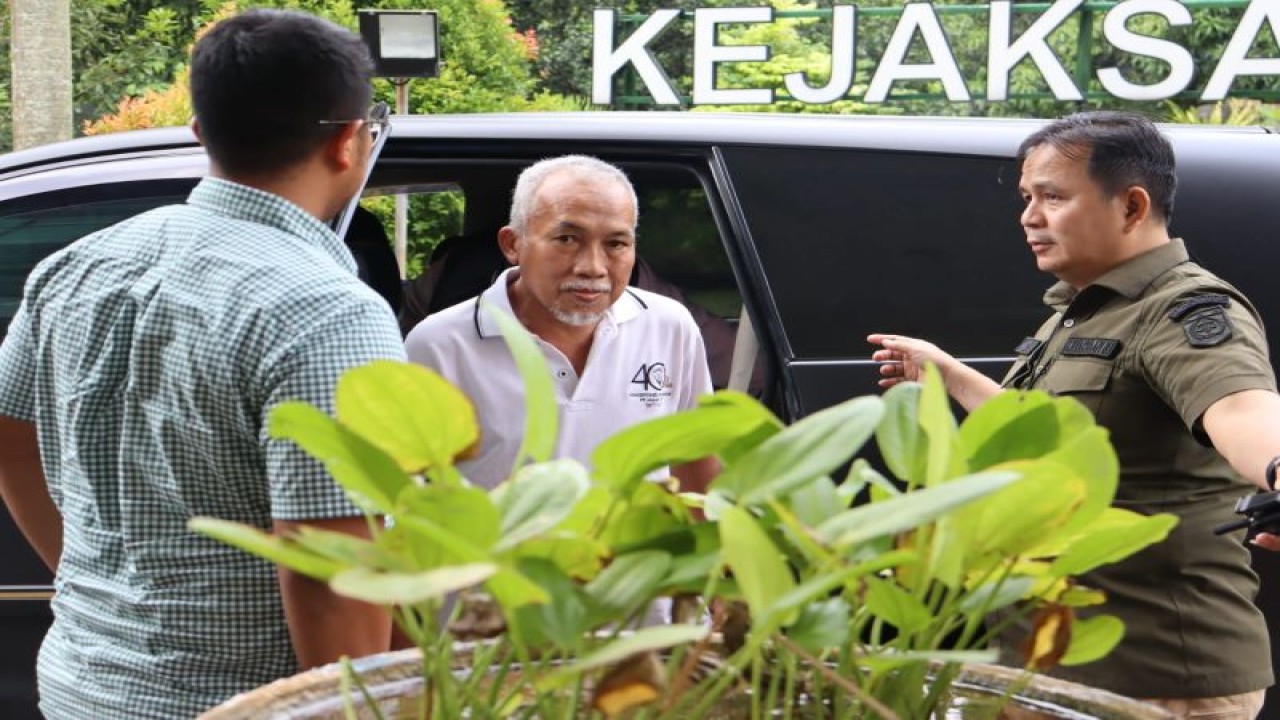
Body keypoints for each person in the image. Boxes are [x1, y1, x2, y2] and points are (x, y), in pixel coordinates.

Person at [0, 10, 404, 719]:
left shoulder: (75, 265)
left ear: (200, 136)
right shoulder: (331, 312)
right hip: (237, 705)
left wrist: (99, 586)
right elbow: (330, 574)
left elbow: (8, 441)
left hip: (81, 687)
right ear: (350, 141)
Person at [868, 111, 1280, 719]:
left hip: (1154, 677)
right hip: (1056, 670)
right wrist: (951, 376)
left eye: (1053, 197)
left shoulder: (1183, 309)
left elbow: (1242, 409)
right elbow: (1052, 435)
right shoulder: (1083, 311)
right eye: (1027, 198)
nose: (1029, 217)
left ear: (1132, 207)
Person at [404, 155, 718, 492]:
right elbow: (410, 500)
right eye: (567, 240)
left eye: (615, 244)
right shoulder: (439, 346)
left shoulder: (669, 327)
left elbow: (699, 481)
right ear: (513, 245)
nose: (593, 267)